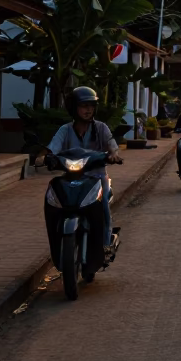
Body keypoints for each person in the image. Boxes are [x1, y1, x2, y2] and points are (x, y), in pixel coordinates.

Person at [46, 87, 121, 254]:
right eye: (83, 105)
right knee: (55, 201)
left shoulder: (101, 128)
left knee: (105, 210)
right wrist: (46, 157)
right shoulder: (65, 130)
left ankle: (106, 242)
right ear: (73, 108)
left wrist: (114, 155)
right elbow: (53, 148)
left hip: (97, 177)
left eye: (91, 106)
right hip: (70, 176)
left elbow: (112, 146)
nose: (88, 110)